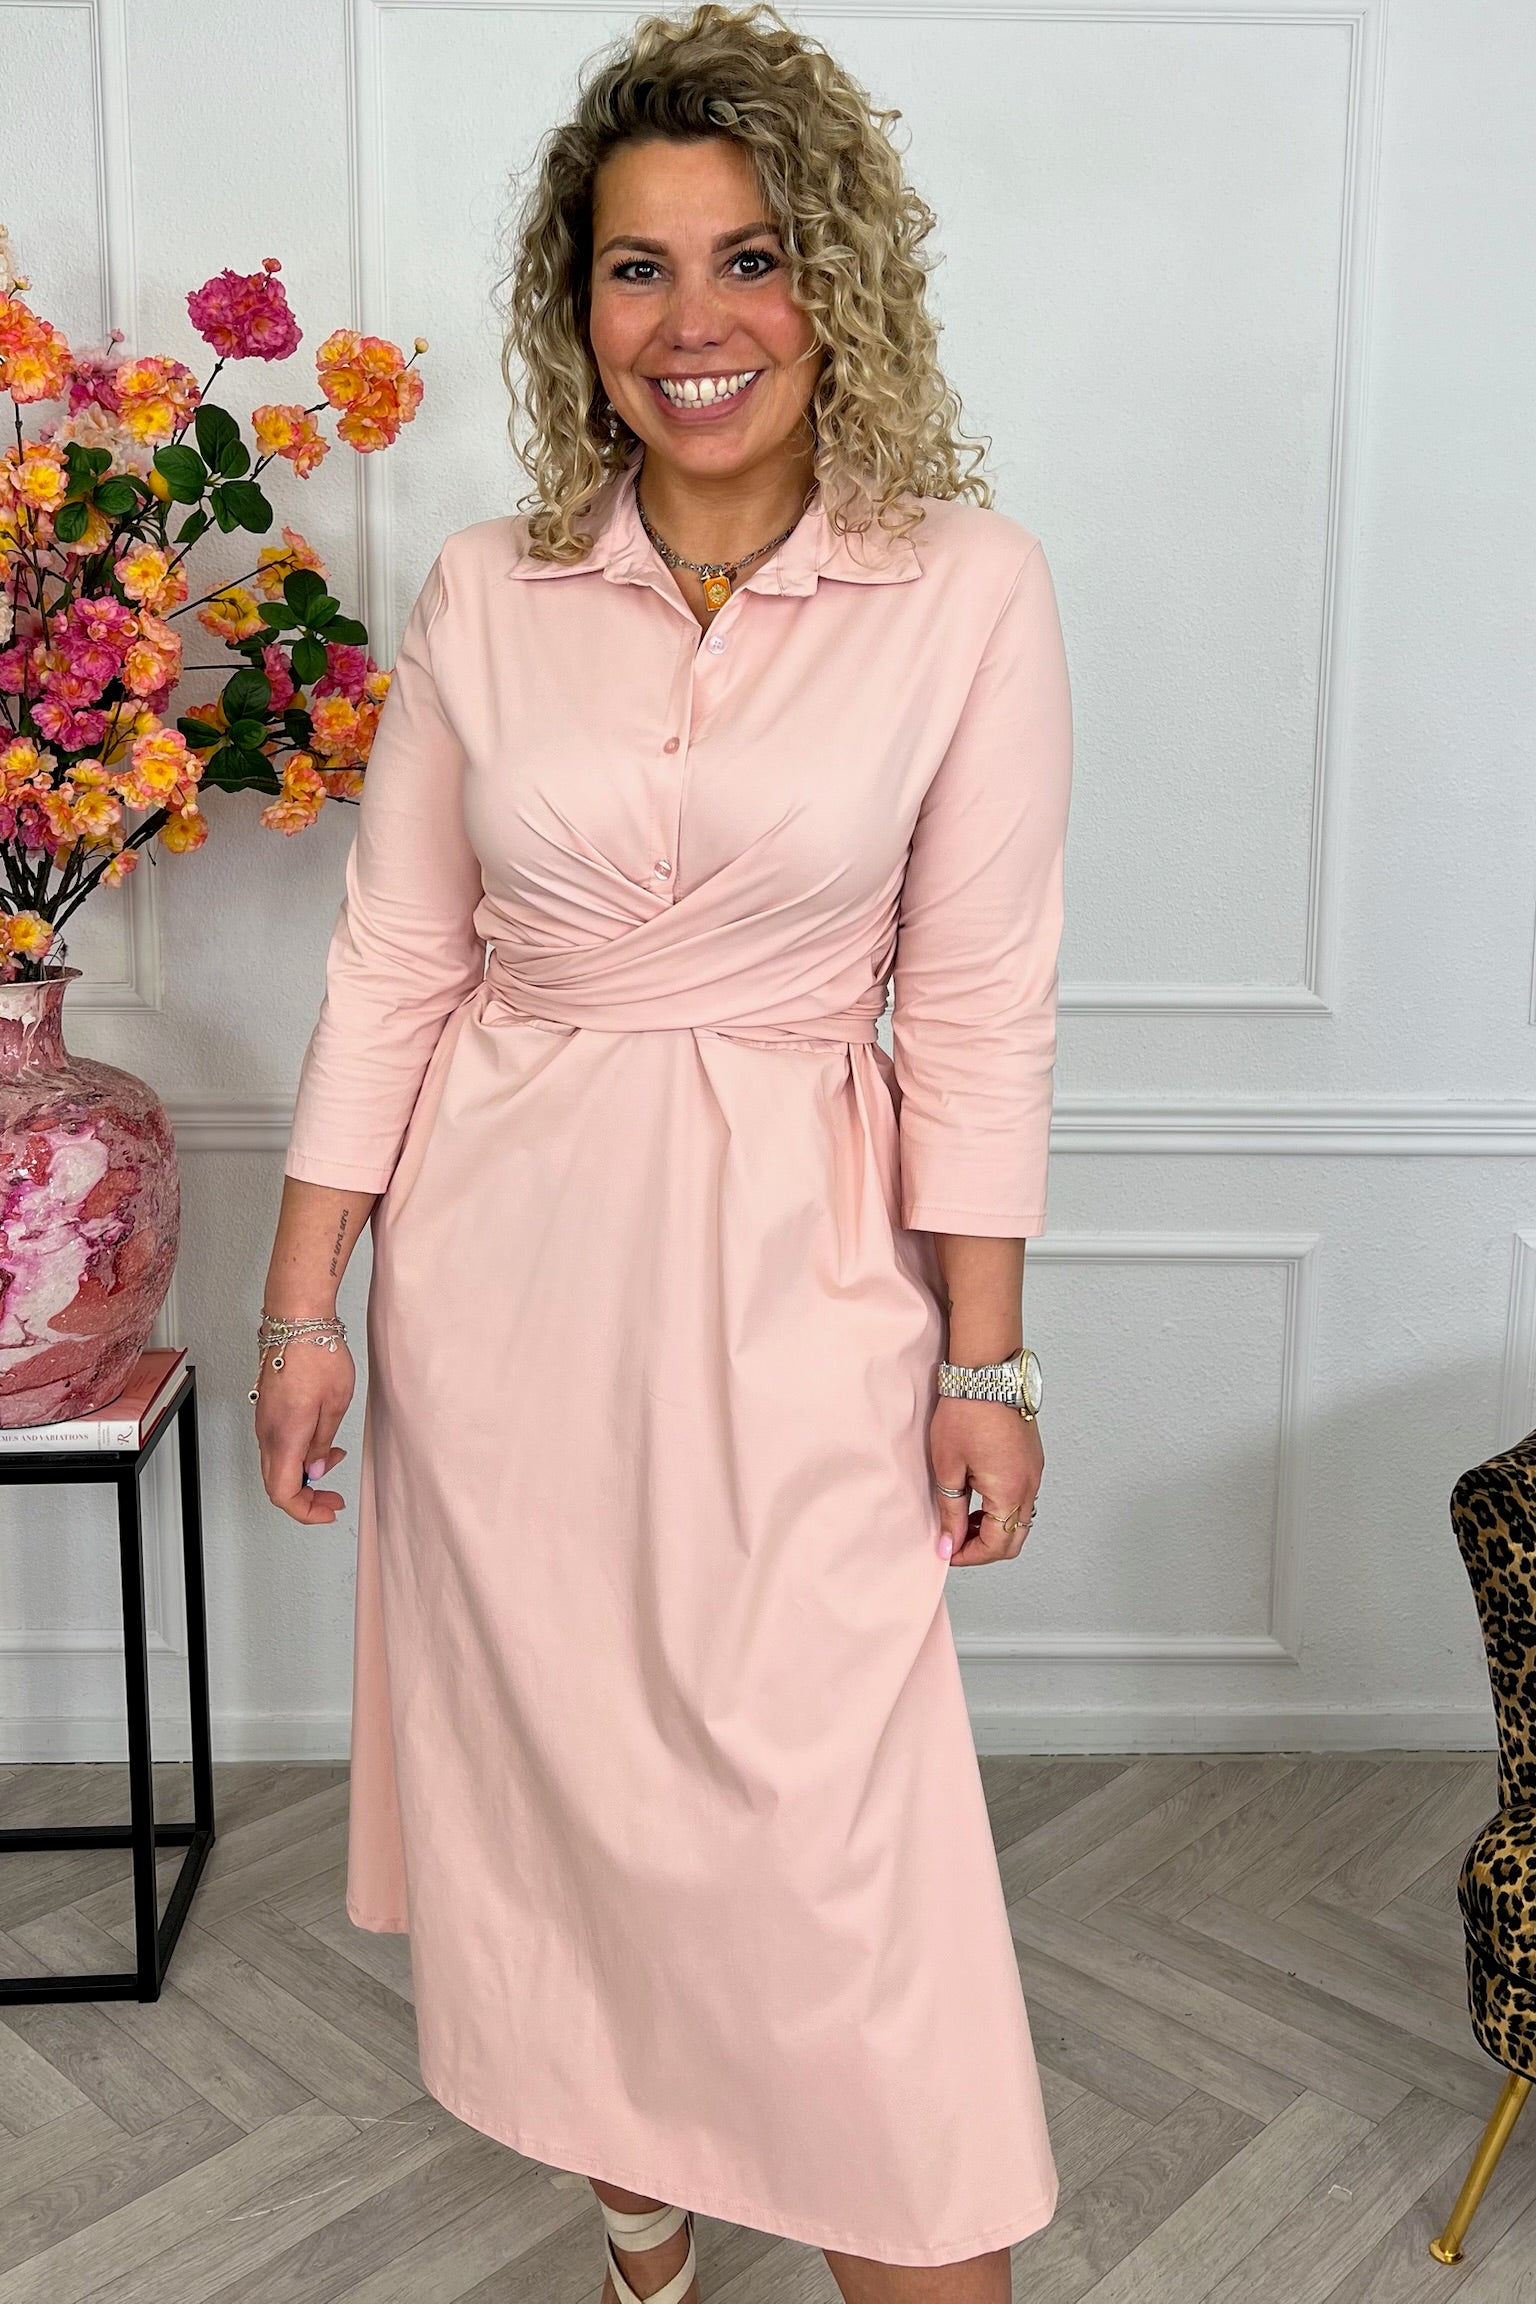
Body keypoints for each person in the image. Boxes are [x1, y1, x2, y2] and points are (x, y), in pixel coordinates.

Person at [253, 5, 1073, 2299]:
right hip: (503, 1292)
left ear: (835, 283)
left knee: (837, 1876)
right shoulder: (486, 592)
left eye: (749, 257)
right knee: (574, 1804)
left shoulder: (967, 589)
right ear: (578, 304)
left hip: (799, 1295)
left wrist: (984, 1360)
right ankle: (643, 2212)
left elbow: (979, 1005)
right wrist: (303, 1306)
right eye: (639, 267)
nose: (694, 320)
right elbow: (394, 968)